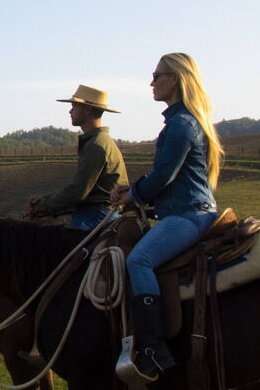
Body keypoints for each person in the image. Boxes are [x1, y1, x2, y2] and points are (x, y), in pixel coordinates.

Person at [107, 52, 224, 383]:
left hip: (188, 216)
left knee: (139, 261)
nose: (152, 82)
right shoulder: (182, 121)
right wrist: (135, 188)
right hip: (185, 211)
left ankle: (151, 347)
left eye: (157, 76)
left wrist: (133, 194)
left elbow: (163, 177)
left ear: (175, 79)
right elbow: (164, 176)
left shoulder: (181, 124)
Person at [25, 85, 126, 231]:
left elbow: (78, 192)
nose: (70, 111)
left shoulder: (96, 145)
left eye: (74, 106)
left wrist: (41, 205)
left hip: (94, 215)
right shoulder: (101, 141)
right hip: (104, 212)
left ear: (88, 110)